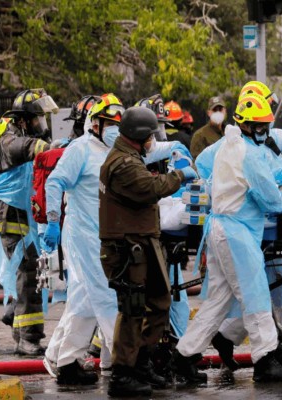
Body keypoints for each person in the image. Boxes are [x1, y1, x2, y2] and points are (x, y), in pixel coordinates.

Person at [174, 94, 282, 384]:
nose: (265, 132)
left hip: (219, 229)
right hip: (237, 234)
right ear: (250, 126)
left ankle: (183, 358)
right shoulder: (251, 155)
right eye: (262, 127)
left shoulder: (227, 144)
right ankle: (265, 358)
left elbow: (203, 164)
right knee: (255, 293)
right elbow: (272, 201)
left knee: (218, 301)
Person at [99, 106, 196, 397]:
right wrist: (180, 176)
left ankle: (141, 362)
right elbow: (149, 187)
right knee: (132, 309)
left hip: (142, 241)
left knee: (159, 301)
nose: (153, 141)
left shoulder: (130, 156)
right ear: (139, 137)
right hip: (128, 246)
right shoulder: (123, 164)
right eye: (150, 136)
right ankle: (122, 374)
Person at [43, 93, 126, 385]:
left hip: (102, 235)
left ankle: (65, 362)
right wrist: (53, 220)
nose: (116, 129)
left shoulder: (112, 150)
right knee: (105, 296)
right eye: (110, 123)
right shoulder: (80, 149)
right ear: (96, 124)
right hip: (83, 236)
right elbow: (55, 182)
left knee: (85, 301)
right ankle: (124, 363)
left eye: (119, 124)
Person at [0, 88, 57, 356]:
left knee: (29, 276)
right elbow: (24, 148)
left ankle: (19, 326)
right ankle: (28, 338)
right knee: (28, 277)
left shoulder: (21, 136)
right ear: (23, 120)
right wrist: (44, 147)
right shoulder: (9, 141)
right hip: (12, 221)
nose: (39, 125)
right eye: (36, 120)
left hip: (24, 221)